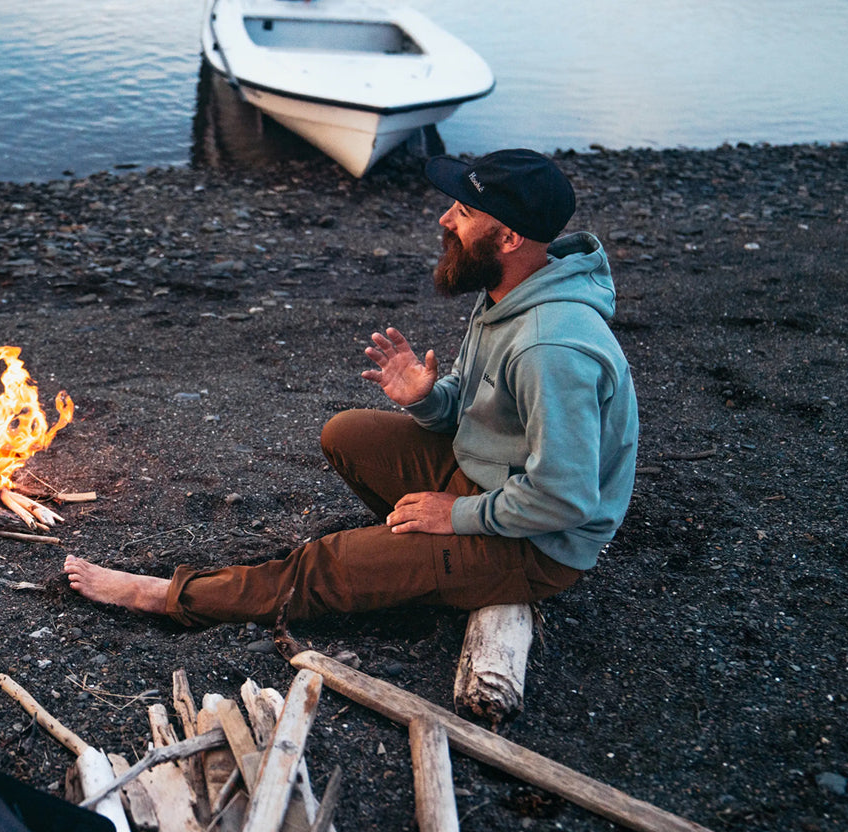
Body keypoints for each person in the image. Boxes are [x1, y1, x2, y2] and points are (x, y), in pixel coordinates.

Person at [64, 148, 638, 627]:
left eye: (462, 212)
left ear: (509, 238)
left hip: (537, 545)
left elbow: (566, 499)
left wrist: (458, 516)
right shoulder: (509, 292)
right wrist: (429, 401)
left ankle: (163, 595)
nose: (445, 221)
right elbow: (485, 408)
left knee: (323, 567)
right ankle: (416, 568)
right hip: (490, 477)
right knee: (348, 433)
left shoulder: (550, 347)